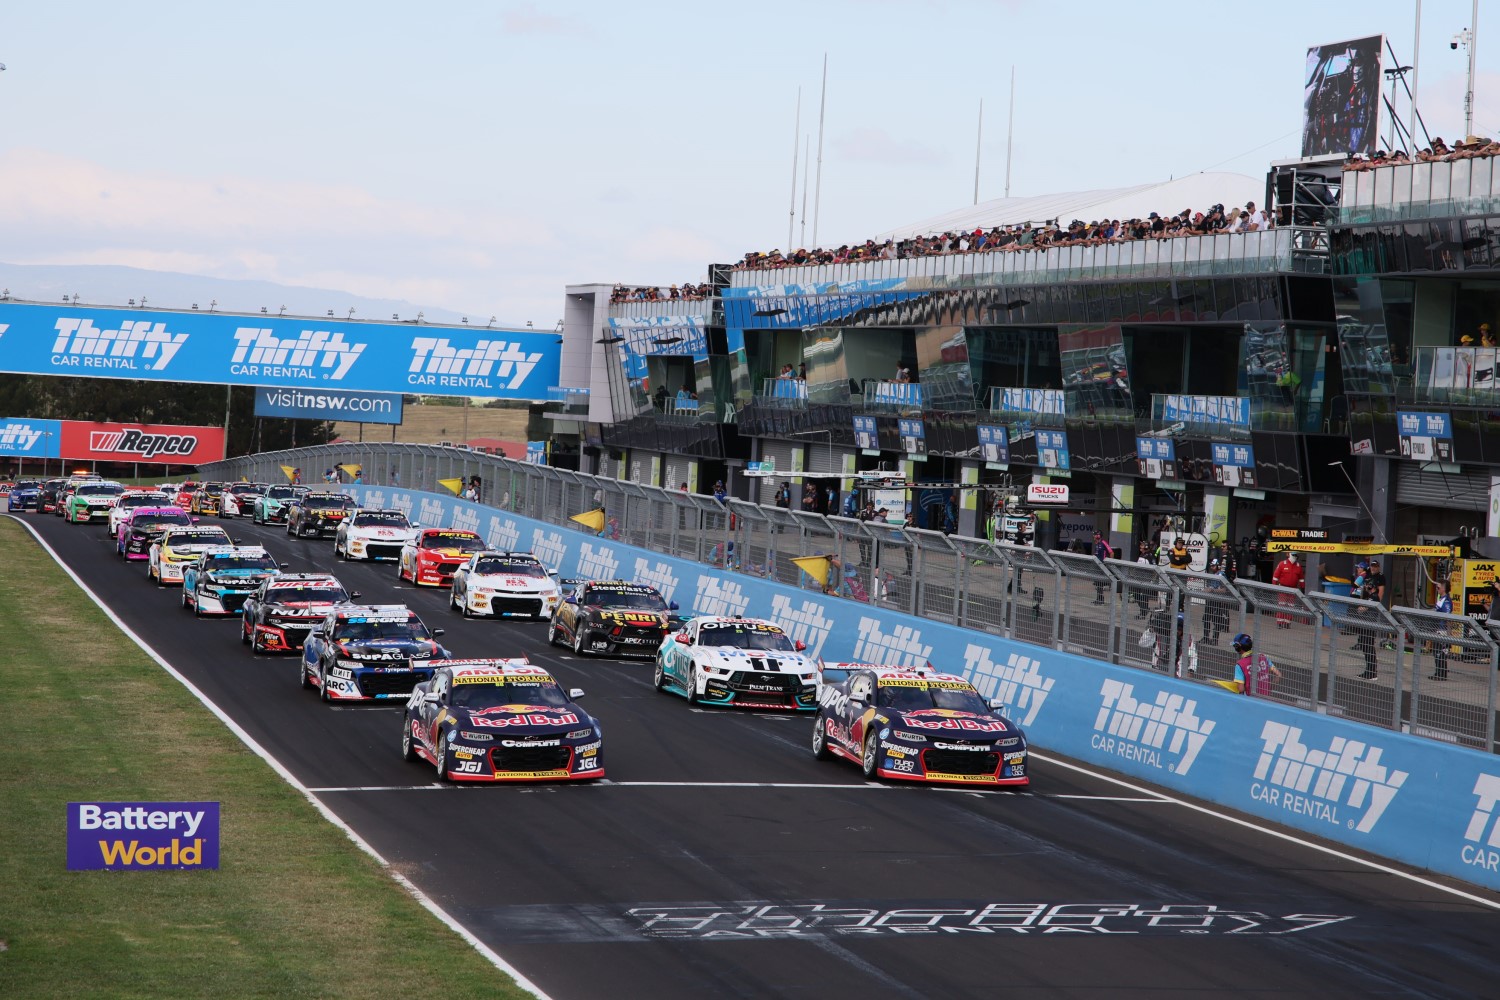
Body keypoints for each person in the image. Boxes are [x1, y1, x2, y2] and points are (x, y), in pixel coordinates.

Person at [1271, 552, 1305, 628]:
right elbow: (1275, 576)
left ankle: (1287, 623)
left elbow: (1301, 578)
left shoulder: (1298, 566)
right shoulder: (1282, 564)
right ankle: (1280, 622)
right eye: (1293, 555)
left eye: (1296, 555)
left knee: (1291, 606)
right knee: (1282, 605)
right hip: (1283, 588)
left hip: (1293, 589)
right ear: (1289, 555)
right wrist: (1274, 586)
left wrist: (1303, 588)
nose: (1295, 557)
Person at [1430, 580, 1455, 681]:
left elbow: (1448, 618)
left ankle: (1441, 674)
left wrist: (1449, 635)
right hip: (1438, 629)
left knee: (1441, 653)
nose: (1437, 589)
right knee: (1436, 652)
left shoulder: (1447, 601)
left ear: (1444, 589)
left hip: (1443, 631)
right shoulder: (1441, 598)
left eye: (1438, 588)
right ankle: (1438, 673)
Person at [1202, 558, 1230, 645]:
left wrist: (1212, 591)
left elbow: (1224, 590)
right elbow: (1209, 587)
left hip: (1218, 601)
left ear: (1218, 565)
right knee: (1205, 618)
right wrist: (1206, 590)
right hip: (1210, 600)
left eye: (1213, 566)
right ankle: (1206, 638)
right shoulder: (1212, 574)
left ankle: (1215, 640)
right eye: (1211, 566)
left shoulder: (1221, 575)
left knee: (1216, 620)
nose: (1212, 567)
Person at [1091, 531, 1115, 604]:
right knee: (1098, 583)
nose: (1093, 536)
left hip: (1103, 565)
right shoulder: (1097, 544)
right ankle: (1099, 599)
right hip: (1097, 566)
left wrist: (1109, 563)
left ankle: (1101, 600)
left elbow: (1111, 552)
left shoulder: (1103, 542)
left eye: (1094, 535)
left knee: (1100, 583)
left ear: (1098, 536)